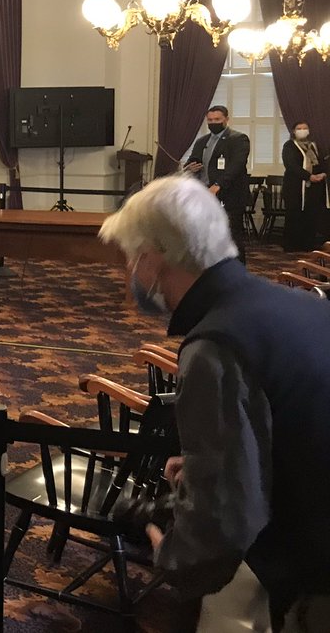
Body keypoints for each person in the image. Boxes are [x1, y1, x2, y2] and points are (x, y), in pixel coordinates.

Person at [99, 174, 330, 631]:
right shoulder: (303, 305)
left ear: (152, 257)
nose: (132, 273)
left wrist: (170, 552)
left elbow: (226, 521)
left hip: (307, 569)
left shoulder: (215, 346)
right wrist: (212, 464)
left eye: (130, 258)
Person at [184, 105, 251, 261]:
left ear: (226, 120)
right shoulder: (202, 141)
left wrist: (218, 185)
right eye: (210, 120)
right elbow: (192, 161)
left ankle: (237, 271)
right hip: (204, 195)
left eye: (217, 120)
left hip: (229, 195)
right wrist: (189, 167)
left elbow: (236, 166)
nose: (213, 122)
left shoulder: (238, 139)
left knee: (232, 236)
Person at [281, 120, 328, 253]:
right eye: (299, 128)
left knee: (310, 215)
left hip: (312, 189)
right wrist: (308, 176)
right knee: (294, 215)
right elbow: (291, 165)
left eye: (305, 128)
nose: (302, 130)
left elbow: (318, 163)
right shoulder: (289, 146)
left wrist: (321, 174)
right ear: (294, 131)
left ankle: (307, 244)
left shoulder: (313, 146)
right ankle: (291, 245)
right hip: (295, 187)